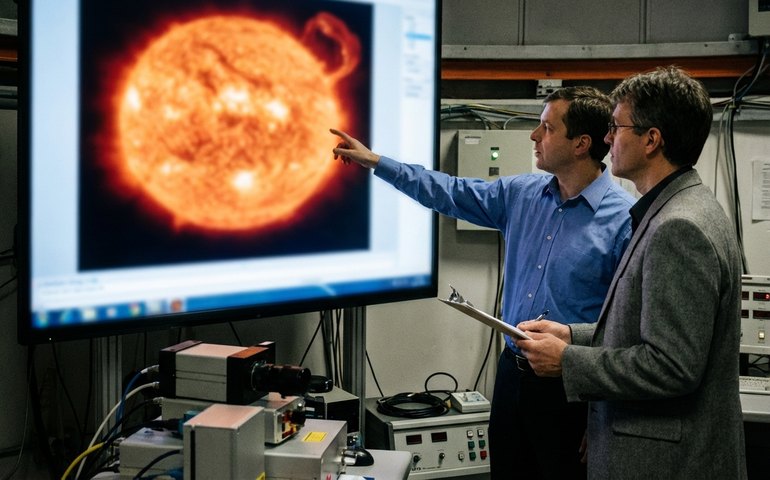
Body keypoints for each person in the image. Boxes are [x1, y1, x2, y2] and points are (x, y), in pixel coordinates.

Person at [331, 86, 636, 480]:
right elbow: (448, 191)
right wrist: (376, 161)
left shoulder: (624, 220)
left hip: (572, 387)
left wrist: (604, 417)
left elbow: (625, 328)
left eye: (546, 128)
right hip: (512, 375)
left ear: (581, 144)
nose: (534, 136)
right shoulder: (522, 194)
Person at [516, 66, 747, 479]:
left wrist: (568, 360)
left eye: (616, 127)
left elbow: (671, 365)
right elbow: (643, 329)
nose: (607, 140)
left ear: (651, 140)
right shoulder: (679, 207)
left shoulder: (679, 227)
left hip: (665, 463)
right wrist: (571, 334)